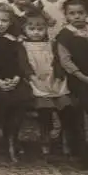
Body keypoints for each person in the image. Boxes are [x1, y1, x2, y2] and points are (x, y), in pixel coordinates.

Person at [0, 3, 33, 163]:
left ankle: (12, 137)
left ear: (10, 23)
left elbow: (19, 64)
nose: (0, 24)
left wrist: (16, 79)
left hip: (13, 80)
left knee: (21, 98)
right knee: (2, 99)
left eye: (4, 21)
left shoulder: (14, 41)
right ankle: (7, 139)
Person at [20, 9, 76, 157]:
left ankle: (64, 139)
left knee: (66, 107)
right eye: (32, 29)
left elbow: (58, 62)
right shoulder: (23, 46)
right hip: (36, 82)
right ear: (25, 30)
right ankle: (45, 140)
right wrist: (33, 77)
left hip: (54, 81)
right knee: (45, 110)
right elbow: (24, 65)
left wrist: (58, 77)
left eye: (40, 29)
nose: (36, 32)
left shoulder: (51, 44)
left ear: (46, 29)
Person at [56, 0, 88, 172]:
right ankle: (84, 157)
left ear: (87, 14)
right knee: (81, 120)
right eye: (72, 13)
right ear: (66, 16)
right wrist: (84, 78)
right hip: (78, 82)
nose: (77, 17)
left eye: (80, 13)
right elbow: (66, 61)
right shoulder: (65, 35)